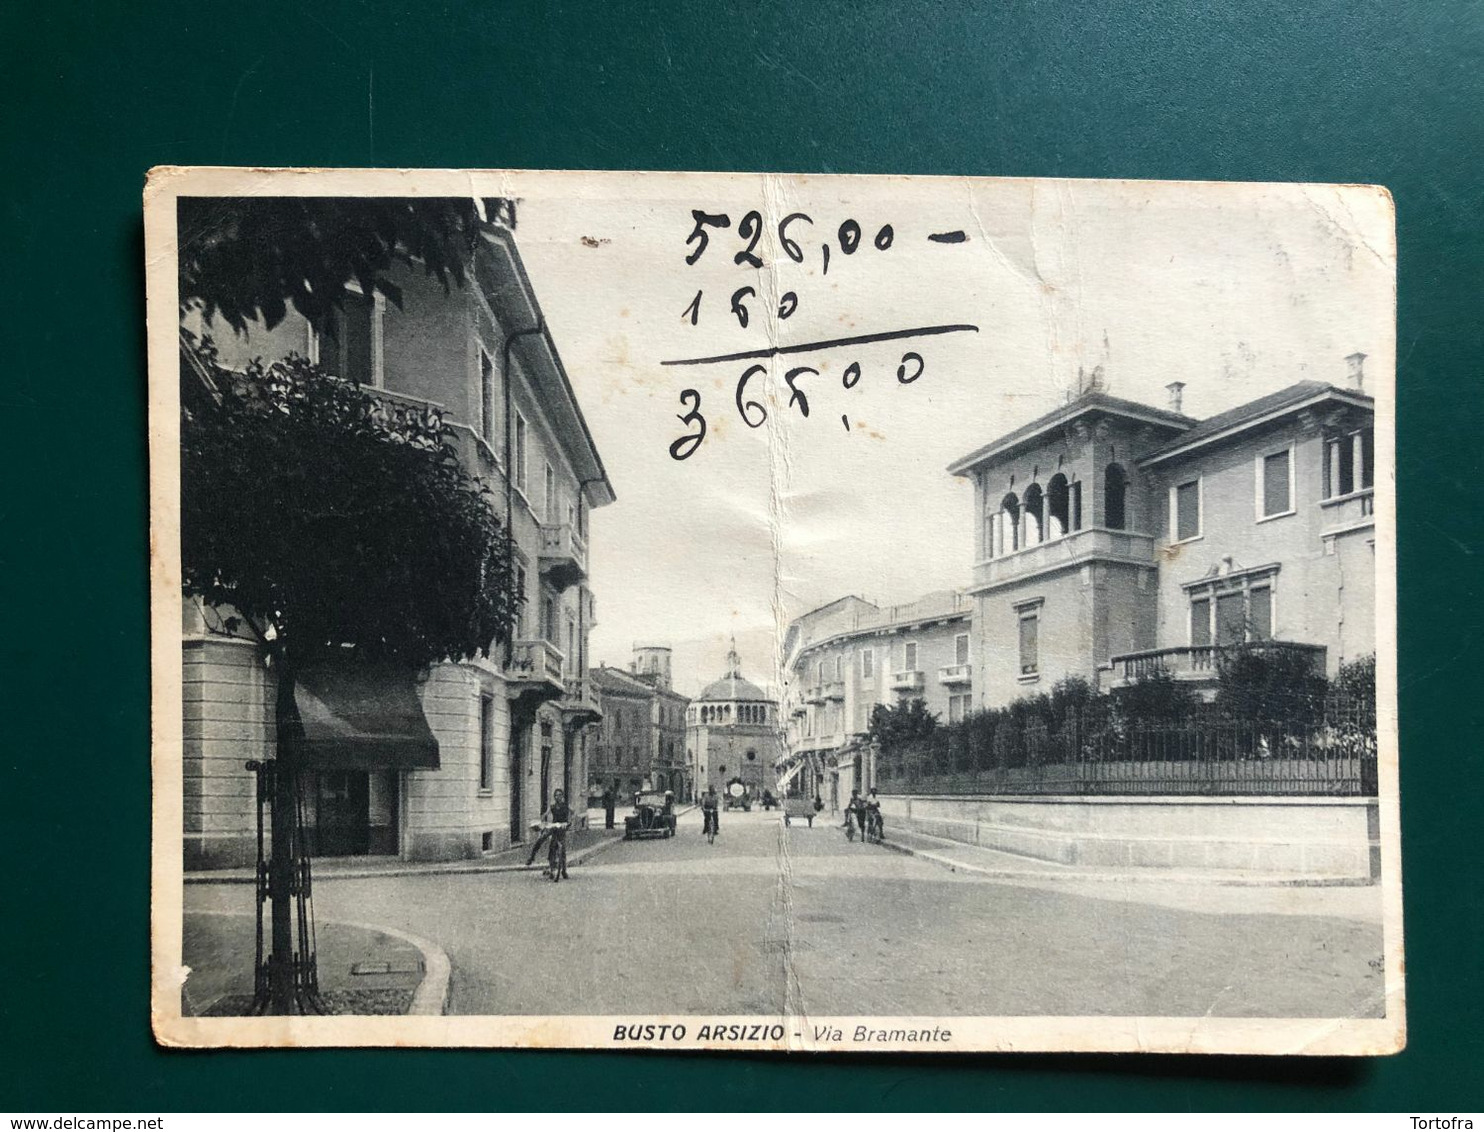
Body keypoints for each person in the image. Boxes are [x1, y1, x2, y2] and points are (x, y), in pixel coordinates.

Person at [526, 788, 571, 877]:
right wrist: (541, 821)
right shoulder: (552, 807)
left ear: (562, 796)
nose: (558, 797)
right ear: (554, 797)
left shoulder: (566, 806)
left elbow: (573, 812)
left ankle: (564, 871)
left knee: (563, 848)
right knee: (543, 839)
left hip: (562, 827)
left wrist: (569, 822)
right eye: (556, 795)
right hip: (554, 826)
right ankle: (532, 857)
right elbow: (546, 814)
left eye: (560, 795)